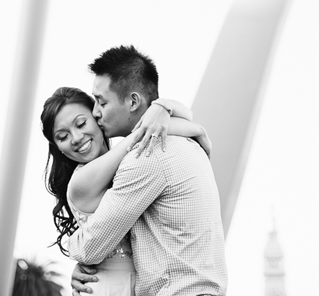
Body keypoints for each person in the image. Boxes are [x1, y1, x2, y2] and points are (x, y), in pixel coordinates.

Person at [66, 46, 227, 296]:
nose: (95, 112)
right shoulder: (184, 140)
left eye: (101, 101)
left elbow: (91, 248)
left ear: (133, 101)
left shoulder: (147, 155)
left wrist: (78, 255)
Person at [41, 86, 210, 296]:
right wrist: (190, 126)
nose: (75, 138)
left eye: (81, 123)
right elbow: (140, 135)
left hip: (139, 284)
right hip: (107, 287)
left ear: (97, 117)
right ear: (57, 147)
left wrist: (162, 108)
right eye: (62, 136)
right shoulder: (81, 181)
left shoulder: (126, 165)